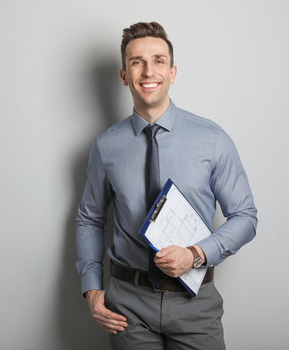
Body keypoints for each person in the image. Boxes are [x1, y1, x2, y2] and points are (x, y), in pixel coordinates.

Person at [75, 21, 257, 350]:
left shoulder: (212, 139)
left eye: (158, 61)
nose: (148, 71)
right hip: (127, 305)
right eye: (137, 62)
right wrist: (91, 288)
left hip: (195, 301)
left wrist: (197, 253)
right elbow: (90, 218)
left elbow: (245, 216)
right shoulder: (106, 146)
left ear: (172, 72)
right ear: (124, 75)